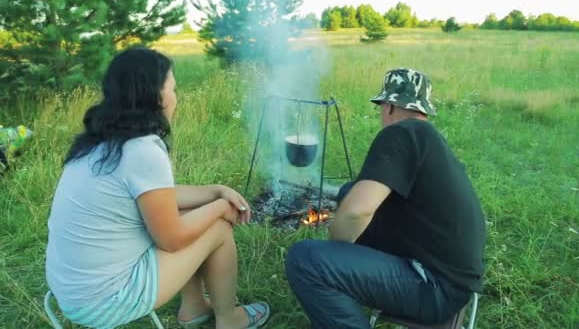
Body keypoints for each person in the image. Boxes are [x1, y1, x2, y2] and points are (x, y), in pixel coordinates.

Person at [45, 48, 270, 329]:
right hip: (103, 301)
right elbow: (172, 239)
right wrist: (220, 208)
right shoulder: (142, 149)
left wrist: (215, 190)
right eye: (173, 89)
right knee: (218, 228)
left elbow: (159, 198)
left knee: (191, 211)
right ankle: (231, 319)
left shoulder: (100, 141)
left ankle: (195, 307)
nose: (176, 97)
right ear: (156, 96)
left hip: (71, 288)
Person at [285, 68, 487, 328]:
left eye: (381, 107)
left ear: (390, 106)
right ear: (423, 109)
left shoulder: (401, 133)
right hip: (455, 281)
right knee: (349, 189)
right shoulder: (429, 140)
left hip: (434, 286)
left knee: (307, 260)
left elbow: (357, 212)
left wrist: (335, 244)